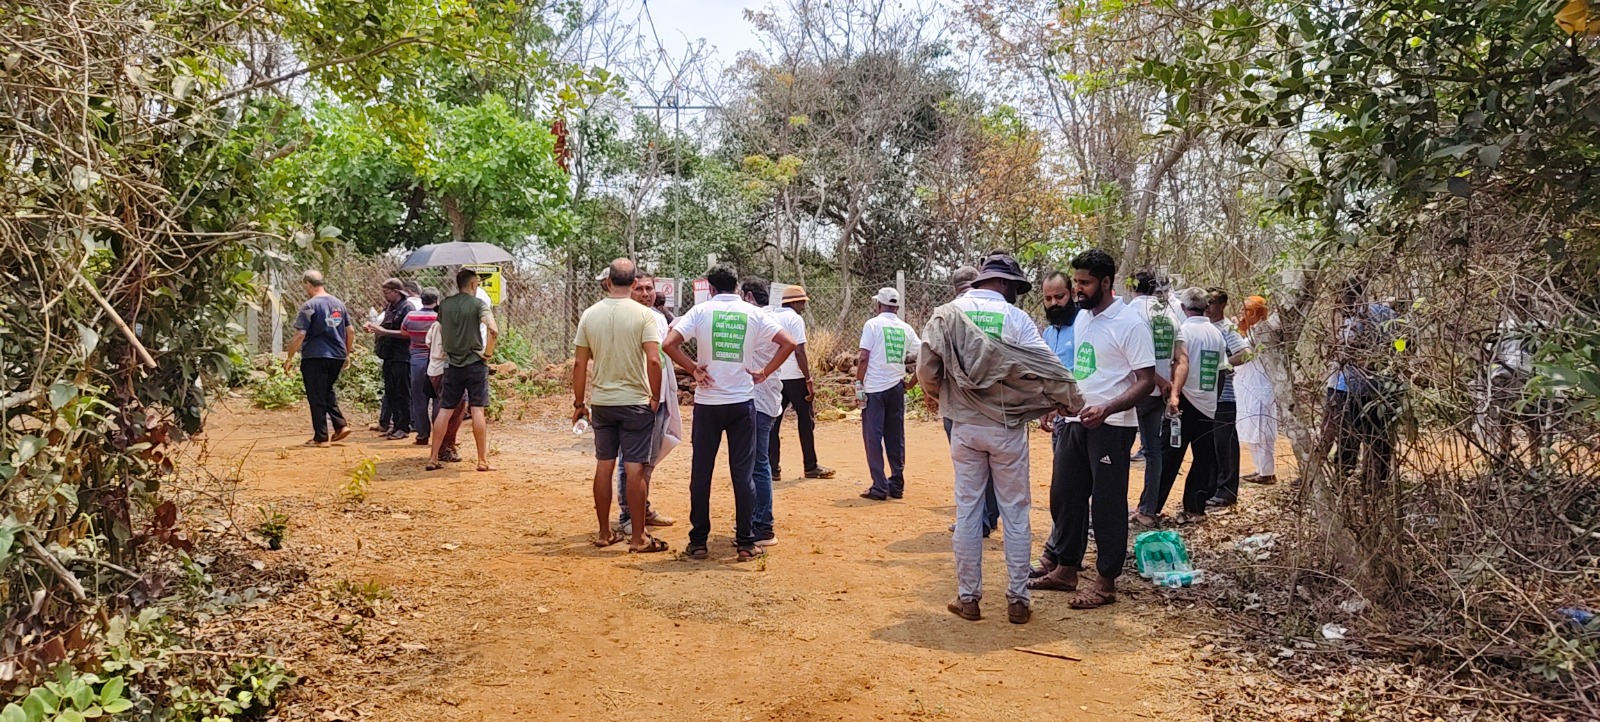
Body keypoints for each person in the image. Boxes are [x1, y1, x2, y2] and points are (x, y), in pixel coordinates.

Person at [919, 252, 1080, 625]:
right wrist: (1065, 402)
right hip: (1007, 427)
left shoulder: (947, 313)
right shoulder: (1016, 318)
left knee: (968, 509)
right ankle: (1018, 600)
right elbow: (1048, 368)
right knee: (1015, 510)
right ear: (1006, 284)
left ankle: (968, 598)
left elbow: (927, 368)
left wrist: (937, 393)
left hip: (964, 425)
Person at [1030, 249, 1154, 610]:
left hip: (1112, 426)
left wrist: (1108, 407)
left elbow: (1146, 381)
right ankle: (1066, 570)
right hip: (1075, 421)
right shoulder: (1083, 319)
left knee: (1107, 504)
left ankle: (1105, 581)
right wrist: (1059, 405)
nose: (1078, 290)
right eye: (1077, 282)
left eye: (1084, 283)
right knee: (1065, 496)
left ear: (1105, 282)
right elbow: (1079, 371)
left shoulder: (1130, 324)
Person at [663, 264, 796, 562]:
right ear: (737, 286)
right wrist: (764, 372)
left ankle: (698, 541)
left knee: (701, 472)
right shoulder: (754, 313)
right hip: (742, 403)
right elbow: (788, 343)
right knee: (743, 473)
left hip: (708, 404)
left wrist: (693, 368)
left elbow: (668, 344)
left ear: (710, 288)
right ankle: (746, 542)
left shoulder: (700, 312)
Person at [572, 259, 668, 553]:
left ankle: (604, 533)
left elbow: (579, 363)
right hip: (636, 402)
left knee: (604, 464)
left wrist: (579, 403)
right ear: (632, 283)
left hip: (602, 402)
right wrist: (654, 396)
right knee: (635, 467)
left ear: (609, 282)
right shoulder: (644, 315)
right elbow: (654, 360)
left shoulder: (589, 315)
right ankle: (638, 538)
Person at [1153, 288, 1229, 524]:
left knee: (1169, 456)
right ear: (1206, 307)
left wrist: (1172, 395)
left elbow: (1177, 364)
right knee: (1203, 459)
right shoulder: (1217, 334)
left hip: (1183, 400)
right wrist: (1213, 400)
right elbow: (1221, 371)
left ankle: (1152, 507)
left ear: (1184, 308)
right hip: (1207, 404)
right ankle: (1195, 508)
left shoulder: (1183, 331)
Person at [615, 273, 679, 535]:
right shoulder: (624, 318)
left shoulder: (660, 317)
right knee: (630, 460)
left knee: (649, 458)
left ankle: (643, 508)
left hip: (660, 396)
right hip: (637, 397)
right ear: (630, 291)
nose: (645, 293)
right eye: (639, 288)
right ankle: (629, 515)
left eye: (649, 288)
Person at [940, 266, 1002, 538]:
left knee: (968, 467)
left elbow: (933, 360)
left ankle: (975, 521)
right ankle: (991, 516)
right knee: (995, 462)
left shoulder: (948, 313)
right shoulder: (1000, 310)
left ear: (954, 287)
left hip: (959, 403)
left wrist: (934, 394)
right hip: (998, 403)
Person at [1326, 279, 1399, 488]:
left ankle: (1344, 481)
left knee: (1349, 438)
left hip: (1352, 388)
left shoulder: (1355, 321)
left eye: (1343, 298)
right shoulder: (1387, 315)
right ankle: (1374, 483)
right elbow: (1404, 342)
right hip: (1381, 387)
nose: (1341, 304)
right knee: (1378, 439)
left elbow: (1402, 343)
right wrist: (1393, 355)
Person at [425, 268, 499, 472]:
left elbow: (440, 325)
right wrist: (488, 354)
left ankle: (433, 458)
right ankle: (482, 460)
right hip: (475, 363)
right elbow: (494, 329)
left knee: (445, 409)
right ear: (474, 284)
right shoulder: (478, 304)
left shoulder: (445, 304)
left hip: (451, 365)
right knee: (477, 409)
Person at [1126, 270, 1183, 526]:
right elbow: (1181, 356)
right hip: (1160, 392)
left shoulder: (1131, 312)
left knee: (1116, 450)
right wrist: (1171, 388)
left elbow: (1132, 356)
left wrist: (1157, 381)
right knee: (1153, 451)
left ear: (1133, 287)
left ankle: (1113, 508)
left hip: (1134, 389)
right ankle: (1148, 510)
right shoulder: (1169, 313)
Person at [856, 287, 922, 501]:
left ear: (878, 305)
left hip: (874, 389)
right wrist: (912, 382)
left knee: (872, 437)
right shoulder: (905, 328)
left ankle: (879, 486)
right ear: (897, 307)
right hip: (896, 387)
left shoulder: (872, 324)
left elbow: (863, 357)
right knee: (895, 435)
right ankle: (896, 484)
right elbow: (925, 354)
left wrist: (858, 383)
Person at [768, 285, 835, 481]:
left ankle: (773, 467)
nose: (804, 306)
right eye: (802, 302)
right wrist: (808, 378)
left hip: (776, 375)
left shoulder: (771, 316)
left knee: (774, 421)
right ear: (795, 302)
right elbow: (799, 351)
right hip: (795, 376)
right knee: (806, 420)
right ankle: (810, 465)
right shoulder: (794, 319)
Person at [283, 270, 356, 447]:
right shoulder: (339, 304)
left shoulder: (310, 306)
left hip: (315, 355)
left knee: (316, 395)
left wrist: (289, 357)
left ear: (308, 284)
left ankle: (321, 437)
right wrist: (346, 353)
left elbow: (300, 334)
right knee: (326, 390)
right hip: (337, 355)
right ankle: (340, 426)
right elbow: (351, 331)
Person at [740, 278, 785, 546]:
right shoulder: (772, 318)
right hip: (768, 399)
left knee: (757, 464)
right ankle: (757, 520)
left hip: (756, 399)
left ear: (747, 296)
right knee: (759, 462)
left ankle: (762, 525)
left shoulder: (755, 319)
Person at [1206, 288, 1252, 507]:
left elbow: (1244, 353)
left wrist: (1222, 364)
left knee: (1225, 444)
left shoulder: (1227, 328)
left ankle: (1227, 491)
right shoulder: (1204, 326)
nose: (1208, 307)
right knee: (1210, 445)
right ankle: (1211, 488)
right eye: (1206, 302)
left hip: (1224, 396)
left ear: (1222, 305)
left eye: (1212, 303)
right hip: (1205, 397)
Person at [1233, 296, 1279, 485]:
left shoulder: (1262, 332)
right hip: (1249, 387)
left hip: (1260, 389)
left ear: (1253, 313)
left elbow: (1246, 355)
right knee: (1251, 430)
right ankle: (1260, 469)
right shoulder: (1252, 332)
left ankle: (1268, 473)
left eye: (1245, 311)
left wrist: (1224, 364)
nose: (1242, 315)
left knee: (1262, 432)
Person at [366, 278, 413, 440]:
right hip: (389, 355)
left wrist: (384, 332)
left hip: (402, 356)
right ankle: (395, 425)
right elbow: (385, 326)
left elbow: (408, 333)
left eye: (387, 292)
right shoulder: (390, 307)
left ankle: (404, 426)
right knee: (391, 391)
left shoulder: (407, 308)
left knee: (402, 392)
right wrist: (374, 329)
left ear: (396, 292)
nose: (385, 295)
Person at [401, 289, 441, 447]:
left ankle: (422, 434)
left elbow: (404, 332)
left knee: (419, 399)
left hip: (417, 361)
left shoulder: (411, 316)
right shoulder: (440, 318)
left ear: (421, 299)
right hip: (436, 361)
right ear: (437, 300)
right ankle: (439, 433)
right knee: (439, 398)